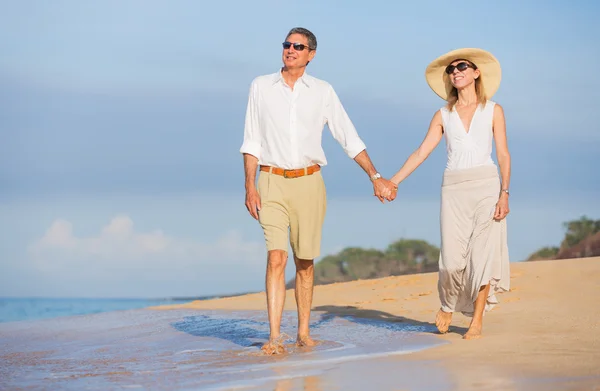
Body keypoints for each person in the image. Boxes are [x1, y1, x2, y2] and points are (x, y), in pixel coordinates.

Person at [240, 27, 397, 355]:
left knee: (305, 261)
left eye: (298, 46)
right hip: (270, 180)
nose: (290, 50)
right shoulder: (261, 87)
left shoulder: (323, 91)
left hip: (310, 182)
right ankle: (273, 336)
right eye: (286, 44)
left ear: (311, 54)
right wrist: (249, 186)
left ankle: (303, 332)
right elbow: (251, 140)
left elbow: (348, 137)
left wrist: (375, 176)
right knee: (275, 258)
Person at [385, 48, 511, 339]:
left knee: (482, 258)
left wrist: (504, 192)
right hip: (453, 189)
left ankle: (476, 322)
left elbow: (503, 154)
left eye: (462, 66)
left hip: (487, 186)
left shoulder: (494, 110)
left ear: (476, 72)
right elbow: (421, 152)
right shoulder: (444, 114)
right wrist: (394, 181)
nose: (456, 71)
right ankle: (447, 303)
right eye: (451, 69)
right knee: (452, 261)